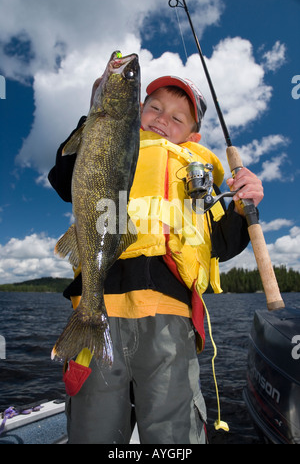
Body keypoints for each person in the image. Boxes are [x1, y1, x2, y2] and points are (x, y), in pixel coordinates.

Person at [48, 75, 263, 444]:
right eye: (155, 108)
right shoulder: (116, 143)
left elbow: (223, 244)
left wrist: (246, 206)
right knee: (93, 426)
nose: (163, 119)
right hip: (99, 309)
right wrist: (94, 116)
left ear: (193, 137)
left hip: (170, 320)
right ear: (138, 112)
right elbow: (64, 176)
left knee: (173, 432)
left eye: (178, 118)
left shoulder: (197, 174)